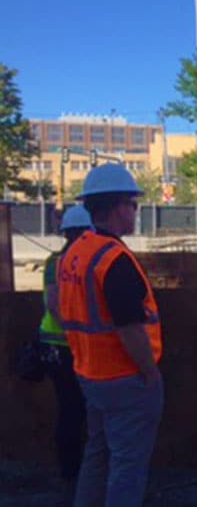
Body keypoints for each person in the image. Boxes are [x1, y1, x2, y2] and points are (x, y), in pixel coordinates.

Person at [54, 164, 164, 507]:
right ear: (118, 207)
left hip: (90, 374)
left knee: (97, 455)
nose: (135, 211)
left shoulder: (73, 254)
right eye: (133, 204)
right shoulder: (114, 259)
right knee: (127, 465)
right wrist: (149, 372)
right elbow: (128, 327)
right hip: (125, 378)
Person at [40, 205, 91, 498]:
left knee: (70, 412)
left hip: (61, 348)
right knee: (78, 412)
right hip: (70, 348)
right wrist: (78, 337)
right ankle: (74, 475)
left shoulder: (55, 262)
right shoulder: (74, 262)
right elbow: (55, 306)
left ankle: (71, 475)